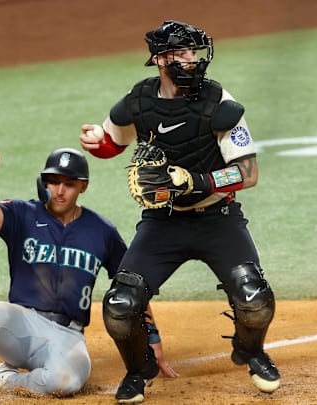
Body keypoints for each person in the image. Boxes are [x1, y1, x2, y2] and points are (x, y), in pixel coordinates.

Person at [79, 20, 280, 403]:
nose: (192, 60)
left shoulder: (219, 102)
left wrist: (196, 181)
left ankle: (252, 351)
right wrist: (95, 142)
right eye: (183, 53)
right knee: (120, 305)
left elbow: (248, 172)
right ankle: (139, 371)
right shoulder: (138, 101)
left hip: (217, 219)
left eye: (194, 52)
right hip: (163, 223)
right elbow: (112, 142)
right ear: (160, 59)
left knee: (254, 298)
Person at [0, 147, 173, 404]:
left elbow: (130, 288)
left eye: (69, 184)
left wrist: (151, 339)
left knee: (66, 382)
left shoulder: (102, 231)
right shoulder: (22, 214)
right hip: (21, 326)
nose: (60, 190)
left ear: (83, 187)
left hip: (68, 336)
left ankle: (5, 380)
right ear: (43, 182)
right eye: (53, 181)